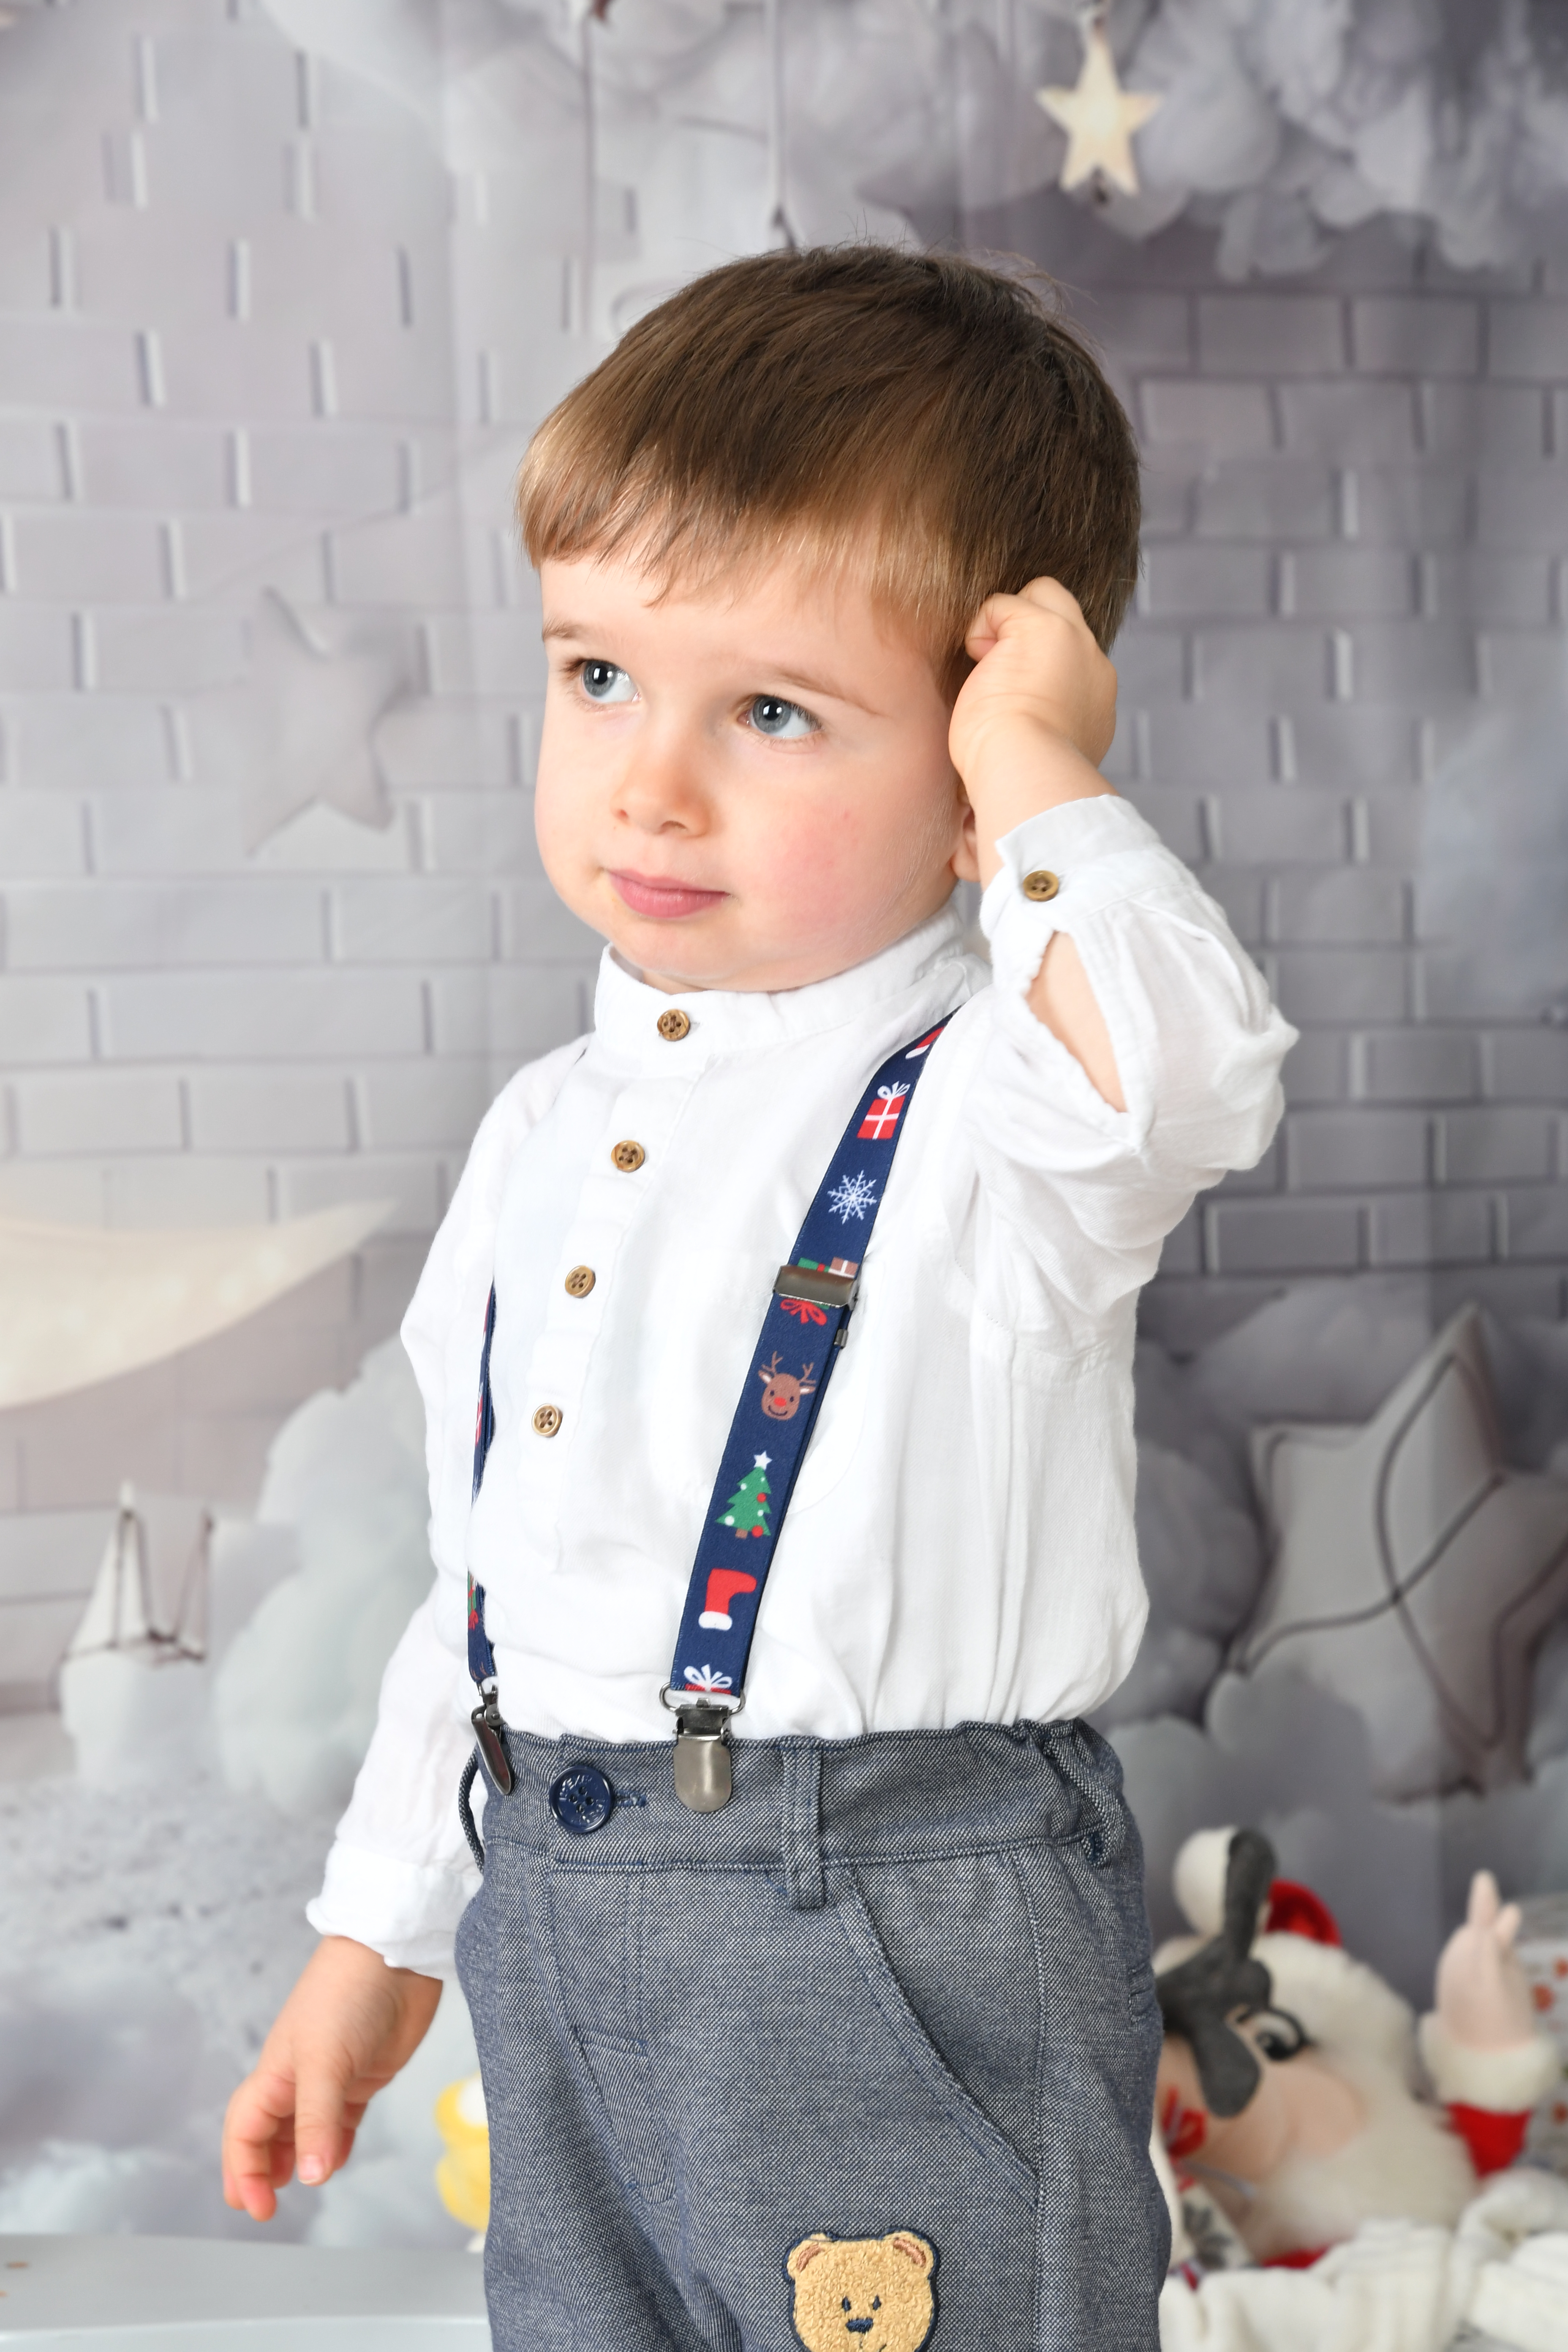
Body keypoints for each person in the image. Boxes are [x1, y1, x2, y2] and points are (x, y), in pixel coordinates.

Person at [222, 244, 1295, 2351]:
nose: (652, 782)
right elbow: (487, 1583)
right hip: (560, 1914)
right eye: (599, 675)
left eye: (773, 712)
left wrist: (1044, 786)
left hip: (889, 1926)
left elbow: (1193, 1077)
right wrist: (380, 1932)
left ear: (969, 750)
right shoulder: (538, 1131)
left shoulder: (1001, 1105)